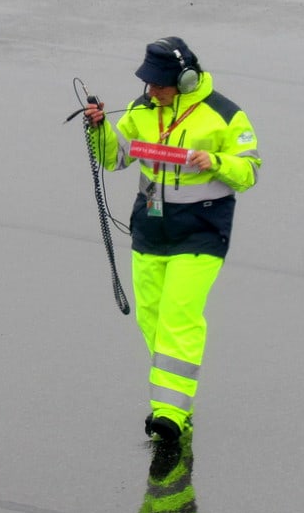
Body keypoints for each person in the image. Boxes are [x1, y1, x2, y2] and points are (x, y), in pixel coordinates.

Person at [84, 36, 261, 442]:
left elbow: (249, 172)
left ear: (184, 79)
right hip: (150, 226)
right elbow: (115, 158)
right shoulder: (141, 111)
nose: (151, 91)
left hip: (201, 230)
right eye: (148, 82)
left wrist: (216, 162)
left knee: (179, 316)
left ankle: (169, 413)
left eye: (159, 83)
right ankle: (177, 399)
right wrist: (99, 130)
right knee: (152, 316)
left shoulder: (225, 116)